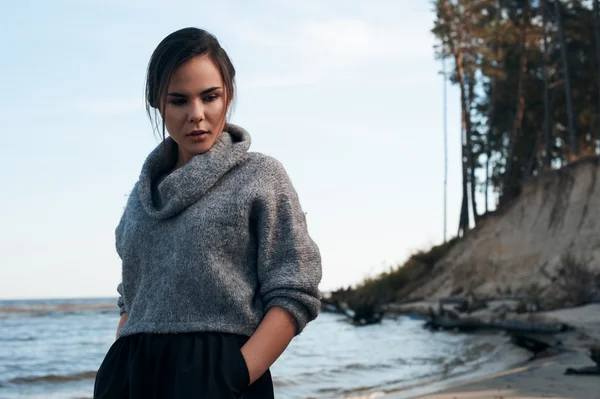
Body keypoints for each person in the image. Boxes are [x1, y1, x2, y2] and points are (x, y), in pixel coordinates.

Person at [93, 27, 322, 399]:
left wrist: (232, 375)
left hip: (220, 379)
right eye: (179, 100)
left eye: (209, 97)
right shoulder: (140, 197)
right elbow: (132, 296)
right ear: (158, 103)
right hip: (132, 380)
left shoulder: (261, 177)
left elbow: (295, 290)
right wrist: (122, 357)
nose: (196, 114)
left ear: (227, 95)